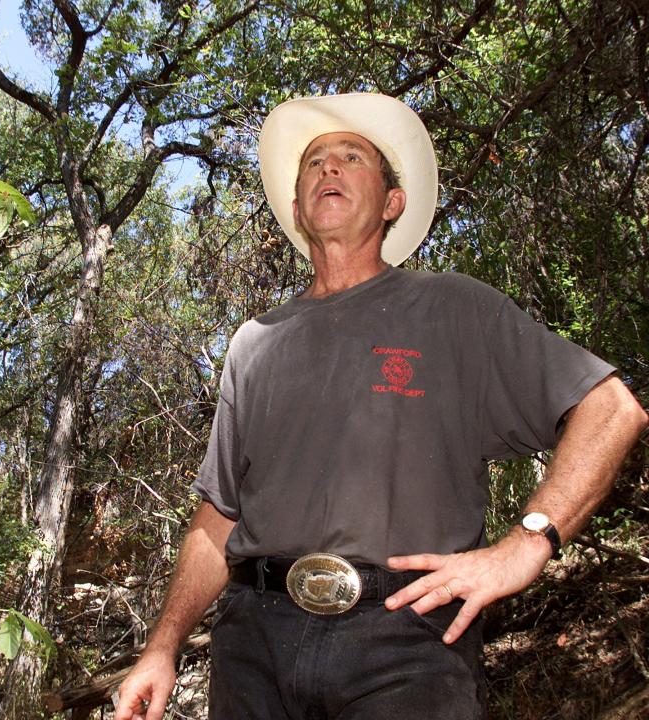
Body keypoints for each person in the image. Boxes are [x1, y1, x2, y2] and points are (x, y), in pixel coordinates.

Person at [113, 94, 647, 720]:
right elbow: (217, 519)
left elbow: (612, 409)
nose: (328, 170)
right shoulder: (255, 342)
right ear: (296, 208)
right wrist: (162, 645)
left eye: (351, 157)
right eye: (313, 163)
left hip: (407, 646)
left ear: (392, 202)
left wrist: (528, 542)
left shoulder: (454, 310)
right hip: (251, 646)